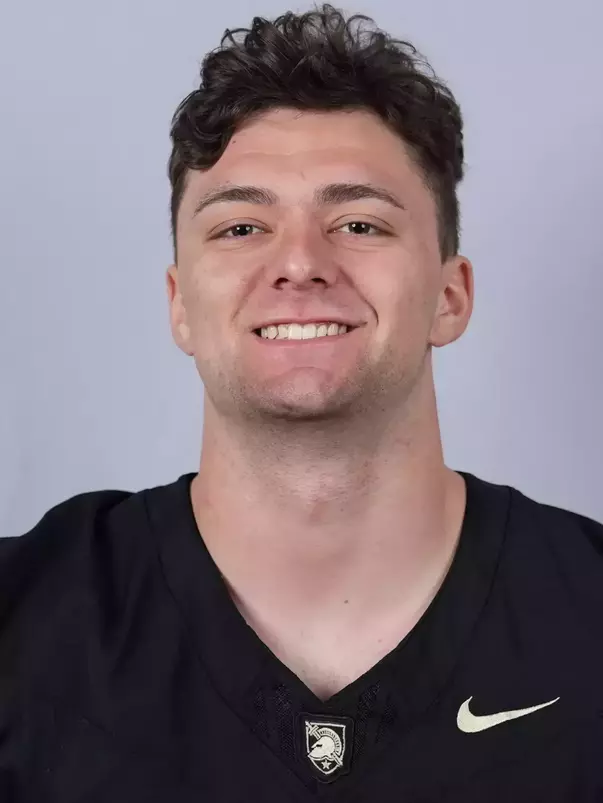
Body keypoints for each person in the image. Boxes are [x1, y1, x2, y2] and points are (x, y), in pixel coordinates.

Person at [1, 4, 602, 801]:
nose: (299, 263)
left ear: (450, 297)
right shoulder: (23, 619)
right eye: (242, 227)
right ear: (180, 304)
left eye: (358, 221)